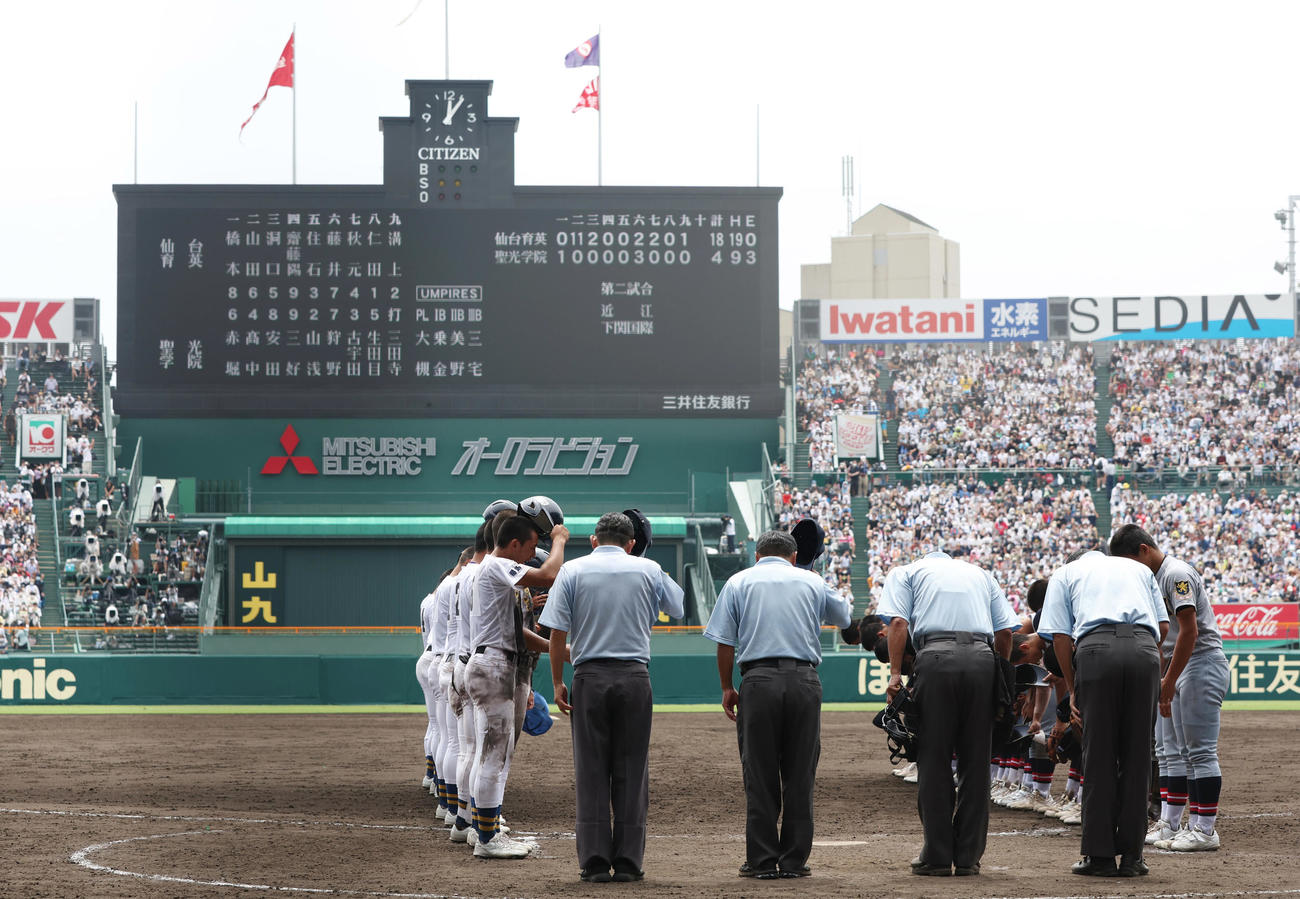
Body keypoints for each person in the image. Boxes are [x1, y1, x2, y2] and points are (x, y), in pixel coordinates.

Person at [541, 511, 684, 884]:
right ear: (631, 543)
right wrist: (648, 564)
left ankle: (593, 862)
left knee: (591, 769)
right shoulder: (649, 569)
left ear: (593, 539)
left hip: (588, 676)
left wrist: (558, 681)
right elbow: (679, 607)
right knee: (632, 770)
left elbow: (556, 633)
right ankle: (628, 862)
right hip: (635, 677)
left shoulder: (572, 570)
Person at [703, 529, 852, 880]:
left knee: (760, 773)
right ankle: (794, 861)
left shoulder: (739, 581)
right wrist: (815, 580)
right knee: (800, 774)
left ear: (757, 555)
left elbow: (724, 642)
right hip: (804, 680)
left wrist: (727, 687)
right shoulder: (811, 580)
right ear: (793, 555)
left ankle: (762, 861)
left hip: (758, 680)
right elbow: (844, 618)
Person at [877, 549, 1017, 877]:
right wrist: (1002, 681)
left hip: (935, 658)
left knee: (934, 759)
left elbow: (898, 622)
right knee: (976, 762)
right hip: (982, 659)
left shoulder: (907, 571)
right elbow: (1006, 633)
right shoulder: (981, 574)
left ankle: (937, 856)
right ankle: (968, 857)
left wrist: (896, 675)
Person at [1037, 545, 1168, 877]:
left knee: (1099, 756)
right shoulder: (1137, 570)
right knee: (1139, 756)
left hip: (1097, 650)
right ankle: (1134, 858)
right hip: (1143, 649)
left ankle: (1100, 857)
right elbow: (1163, 628)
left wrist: (1074, 686)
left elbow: (1061, 636)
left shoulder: (1066, 573)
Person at [1109, 524, 1228, 852]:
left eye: (1132, 562)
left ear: (1144, 551)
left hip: (1200, 662)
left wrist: (1168, 681)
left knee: (1199, 751)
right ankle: (1170, 823)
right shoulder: (1152, 578)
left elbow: (1189, 632)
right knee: (1169, 751)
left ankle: (1204, 829)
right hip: (1177, 669)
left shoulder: (1175, 574)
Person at [465, 506, 568, 859]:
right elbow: (549, 574)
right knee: (495, 754)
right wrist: (559, 540)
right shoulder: (496, 565)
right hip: (494, 665)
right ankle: (488, 839)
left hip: (493, 662)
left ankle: (485, 829)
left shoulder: (489, 570)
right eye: (529, 547)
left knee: (492, 754)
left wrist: (561, 651)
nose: (531, 556)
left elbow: (520, 634)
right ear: (512, 544)